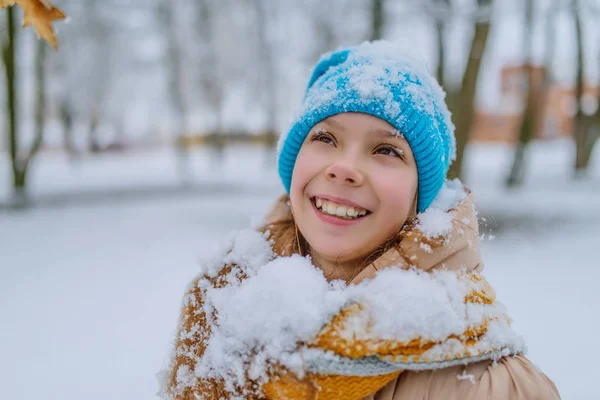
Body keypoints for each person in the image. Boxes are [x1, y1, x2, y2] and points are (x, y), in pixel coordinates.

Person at [160, 41, 560, 400]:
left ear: (420, 196)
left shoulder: (482, 379)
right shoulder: (218, 305)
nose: (344, 168)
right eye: (325, 139)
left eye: (386, 149)